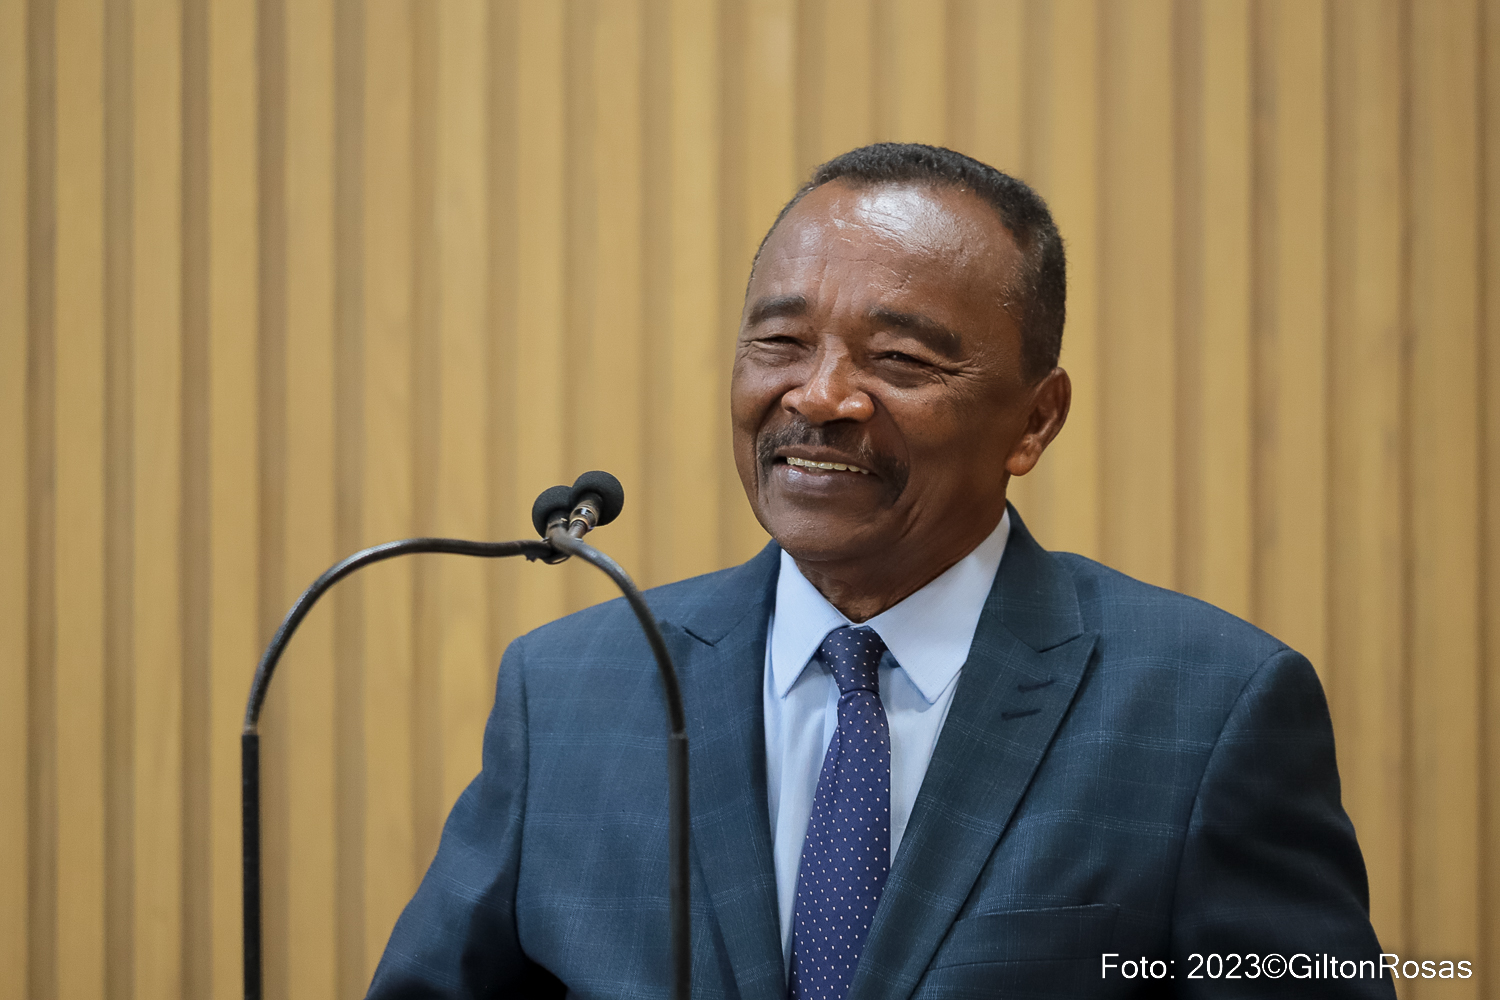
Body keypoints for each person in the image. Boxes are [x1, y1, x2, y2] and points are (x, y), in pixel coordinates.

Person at [366, 144, 1392, 999]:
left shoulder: (1208, 712)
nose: (820, 396)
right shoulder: (571, 692)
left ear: (1035, 421)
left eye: (899, 361)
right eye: (780, 341)